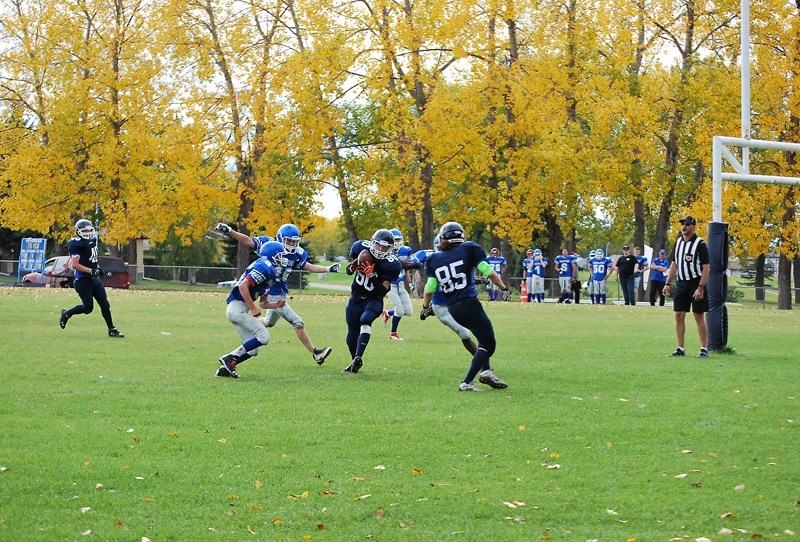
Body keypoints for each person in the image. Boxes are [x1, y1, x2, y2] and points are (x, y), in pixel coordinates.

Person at [216, 222, 338, 365]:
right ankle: (316, 353)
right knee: (297, 322)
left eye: (294, 241)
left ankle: (249, 330)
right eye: (289, 240)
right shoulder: (269, 245)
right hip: (271, 292)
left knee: (268, 322)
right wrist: (230, 231)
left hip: (275, 292)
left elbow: (308, 266)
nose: (292, 244)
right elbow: (248, 241)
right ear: (280, 239)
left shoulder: (296, 253)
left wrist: (327, 269)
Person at [420, 221, 509, 392]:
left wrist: (425, 307)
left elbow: (429, 288)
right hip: (469, 303)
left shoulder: (433, 259)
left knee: (482, 340)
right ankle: (468, 381)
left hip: (453, 308)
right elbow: (487, 270)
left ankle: (487, 372)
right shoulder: (470, 248)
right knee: (488, 344)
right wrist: (503, 288)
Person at [217, 241, 287, 378]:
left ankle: (226, 368)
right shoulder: (264, 266)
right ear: (271, 255)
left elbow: (263, 303)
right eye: (279, 255)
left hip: (238, 310)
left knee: (253, 350)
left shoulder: (270, 272)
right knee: (264, 337)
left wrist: (275, 305)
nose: (282, 258)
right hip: (237, 308)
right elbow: (243, 286)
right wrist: (252, 307)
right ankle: (230, 358)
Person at [343, 229, 403, 373]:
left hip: (373, 300)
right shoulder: (360, 248)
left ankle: (359, 356)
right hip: (356, 299)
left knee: (365, 320)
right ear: (372, 243)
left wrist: (371, 275)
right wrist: (352, 267)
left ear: (390, 249)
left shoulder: (391, 264)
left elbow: (383, 291)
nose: (380, 249)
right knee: (351, 338)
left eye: (384, 247)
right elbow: (348, 271)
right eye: (378, 245)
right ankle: (355, 361)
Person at [410, 236, 477, 355]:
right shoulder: (434, 262)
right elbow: (429, 289)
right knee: (464, 333)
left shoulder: (455, 263)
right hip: (442, 306)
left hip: (456, 303)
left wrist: (481, 280)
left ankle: (428, 310)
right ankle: (483, 364)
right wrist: (425, 307)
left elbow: (462, 279)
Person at [59, 219, 124, 338]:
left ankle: (112, 329)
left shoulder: (92, 240)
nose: (88, 232)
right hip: (83, 280)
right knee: (88, 308)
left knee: (105, 304)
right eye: (85, 231)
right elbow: (75, 264)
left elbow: (91, 259)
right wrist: (91, 271)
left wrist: (98, 269)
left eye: (89, 230)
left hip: (94, 279)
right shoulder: (75, 244)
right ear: (78, 231)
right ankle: (67, 313)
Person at [662, 216, 710, 358]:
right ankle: (680, 348)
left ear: (693, 226)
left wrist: (700, 287)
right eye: (682, 224)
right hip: (682, 283)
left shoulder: (700, 244)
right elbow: (674, 264)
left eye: (687, 224)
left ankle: (703, 348)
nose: (684, 226)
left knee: (698, 315)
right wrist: (667, 283)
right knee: (678, 314)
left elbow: (706, 267)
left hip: (695, 282)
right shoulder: (678, 243)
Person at [381, 229, 414, 340]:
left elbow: (407, 268)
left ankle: (387, 313)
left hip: (401, 285)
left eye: (399, 239)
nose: (397, 242)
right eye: (395, 240)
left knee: (408, 311)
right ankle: (393, 333)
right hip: (391, 286)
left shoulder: (406, 251)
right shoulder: (385, 252)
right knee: (399, 311)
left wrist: (409, 282)